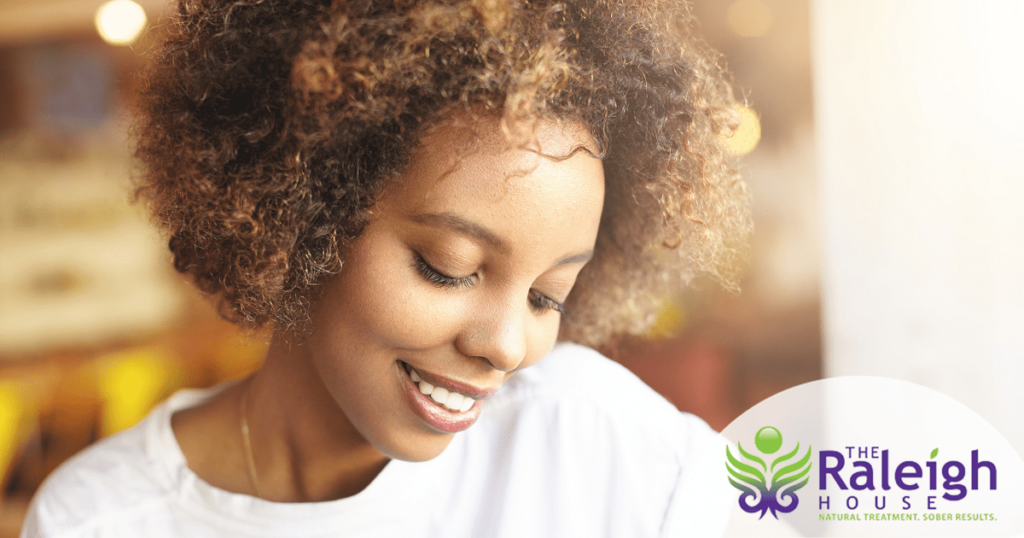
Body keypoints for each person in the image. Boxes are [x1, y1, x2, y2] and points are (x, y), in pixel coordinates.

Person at [22, 0, 750, 536]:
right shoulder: (102, 518)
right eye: (448, 267)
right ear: (303, 212)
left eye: (545, 296)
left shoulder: (604, 447)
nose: (504, 347)